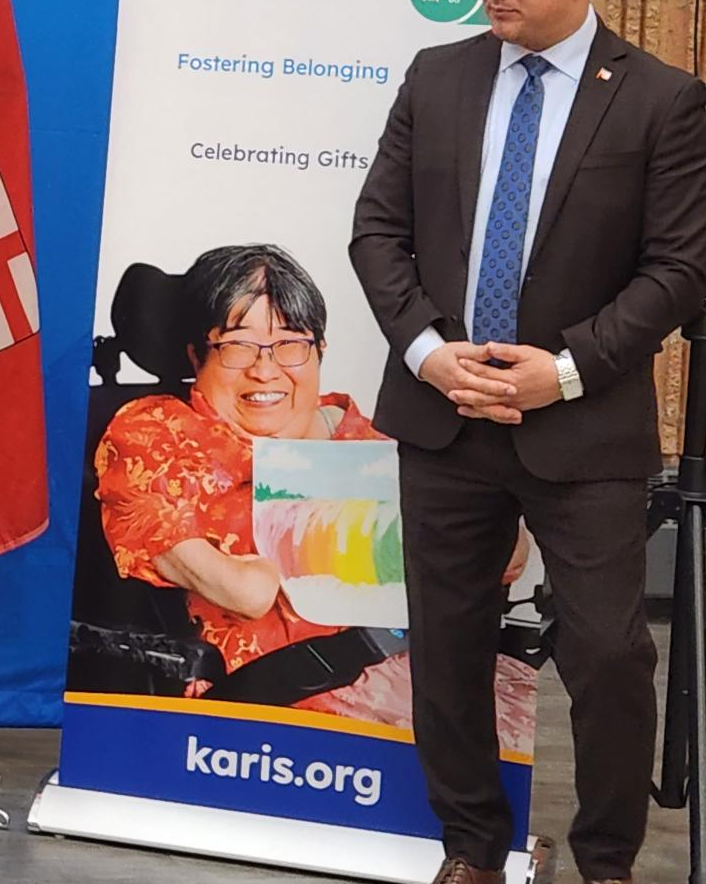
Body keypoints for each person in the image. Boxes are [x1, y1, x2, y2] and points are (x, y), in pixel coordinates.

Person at [351, 0, 706, 884]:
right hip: (444, 416)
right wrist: (425, 350)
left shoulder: (658, 100)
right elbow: (377, 231)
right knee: (446, 649)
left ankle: (605, 872)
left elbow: (678, 268)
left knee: (606, 651)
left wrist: (561, 369)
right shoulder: (437, 75)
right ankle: (468, 855)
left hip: (579, 426)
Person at [95, 244, 537, 729]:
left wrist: (495, 532)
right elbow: (244, 591)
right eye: (237, 345)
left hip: (421, 659)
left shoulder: (358, 432)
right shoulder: (156, 430)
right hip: (294, 687)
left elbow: (489, 556)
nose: (266, 371)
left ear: (319, 350)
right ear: (196, 354)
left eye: (290, 344)